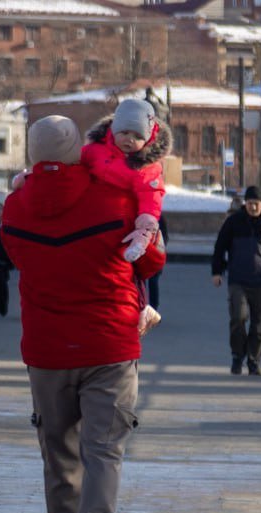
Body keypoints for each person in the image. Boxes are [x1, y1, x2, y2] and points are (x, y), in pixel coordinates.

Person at [0, 115, 166, 513]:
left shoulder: (15, 209)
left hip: (48, 350)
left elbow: (15, 255)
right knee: (103, 452)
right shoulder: (114, 200)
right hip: (109, 346)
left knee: (59, 454)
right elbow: (151, 260)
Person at [82, 98, 171, 335]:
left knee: (133, 271)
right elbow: (73, 166)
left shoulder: (145, 165)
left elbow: (151, 196)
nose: (129, 140)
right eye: (124, 133)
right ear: (113, 130)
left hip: (130, 227)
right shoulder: (94, 151)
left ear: (148, 138)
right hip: (98, 220)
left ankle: (144, 308)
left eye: (137, 136)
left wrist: (145, 225)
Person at [211, 185, 261, 376]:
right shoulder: (234, 223)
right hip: (238, 281)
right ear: (245, 203)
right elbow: (220, 246)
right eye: (250, 203)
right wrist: (217, 271)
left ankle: (254, 360)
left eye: (257, 204)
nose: (253, 207)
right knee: (238, 318)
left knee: (259, 325)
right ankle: (237, 355)